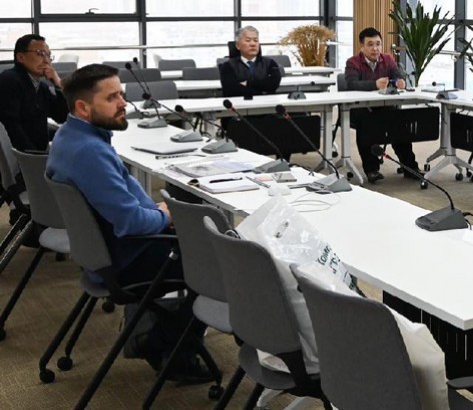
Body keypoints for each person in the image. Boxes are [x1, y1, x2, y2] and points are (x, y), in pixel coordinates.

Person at [47, 64, 212, 382]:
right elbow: (132, 223)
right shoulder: (89, 153)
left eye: (121, 94)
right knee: (220, 263)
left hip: (107, 252)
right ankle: (165, 345)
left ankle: (161, 335)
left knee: (203, 240)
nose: (124, 103)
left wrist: (157, 212)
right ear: (83, 107)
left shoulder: (70, 136)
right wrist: (165, 215)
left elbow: (125, 208)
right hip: (127, 258)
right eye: (112, 98)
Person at [345, 27, 418, 183]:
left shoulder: (387, 59)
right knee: (366, 122)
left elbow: (397, 75)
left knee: (399, 121)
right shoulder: (353, 62)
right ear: (362, 46)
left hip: (383, 106)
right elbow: (351, 84)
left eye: (378, 44)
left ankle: (410, 167)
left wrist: (400, 81)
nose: (375, 48)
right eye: (370, 44)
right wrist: (375, 84)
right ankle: (371, 169)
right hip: (358, 108)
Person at [0, 34, 68, 152]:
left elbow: (61, 116)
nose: (46, 60)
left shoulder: (41, 87)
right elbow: (11, 126)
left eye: (48, 55)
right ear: (21, 57)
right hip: (21, 157)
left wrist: (58, 85)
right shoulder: (9, 80)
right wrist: (34, 156)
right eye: (40, 53)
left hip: (37, 152)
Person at [219, 26, 282, 97]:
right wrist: (261, 90)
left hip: (268, 102)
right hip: (239, 102)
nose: (253, 44)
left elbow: (273, 84)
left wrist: (248, 83)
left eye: (256, 40)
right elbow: (231, 90)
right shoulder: (228, 66)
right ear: (238, 45)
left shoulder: (270, 63)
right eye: (248, 40)